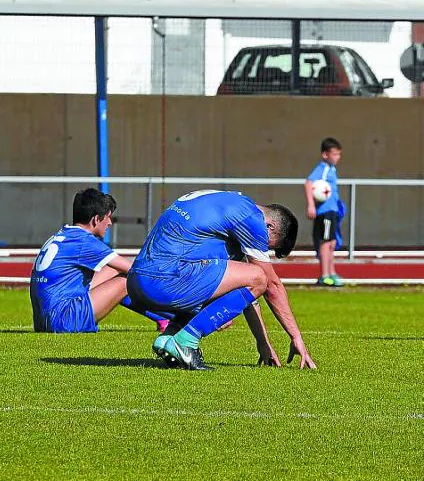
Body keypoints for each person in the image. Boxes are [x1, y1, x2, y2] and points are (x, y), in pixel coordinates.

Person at [127, 189, 317, 371]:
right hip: (163, 282)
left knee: (248, 275)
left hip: (137, 281)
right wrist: (296, 337)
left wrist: (263, 343)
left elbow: (244, 292)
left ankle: (170, 336)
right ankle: (185, 342)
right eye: (267, 245)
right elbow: (269, 284)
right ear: (269, 227)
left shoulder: (225, 205)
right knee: (260, 276)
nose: (261, 249)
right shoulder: (250, 218)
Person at [30, 188, 173, 334]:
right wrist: (172, 280)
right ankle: (174, 317)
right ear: (96, 219)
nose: (110, 223)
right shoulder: (84, 241)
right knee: (126, 280)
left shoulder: (63, 235)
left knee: (113, 270)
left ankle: (163, 319)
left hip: (43, 322)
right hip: (64, 321)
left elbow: (117, 267)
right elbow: (135, 271)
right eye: (108, 217)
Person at [305, 137, 345, 287]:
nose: (337, 157)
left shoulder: (332, 169)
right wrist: (311, 205)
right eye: (334, 154)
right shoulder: (323, 168)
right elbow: (309, 183)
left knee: (332, 243)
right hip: (325, 211)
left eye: (338, 154)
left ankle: (332, 273)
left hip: (333, 211)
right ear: (325, 154)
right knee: (325, 242)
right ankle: (324, 275)